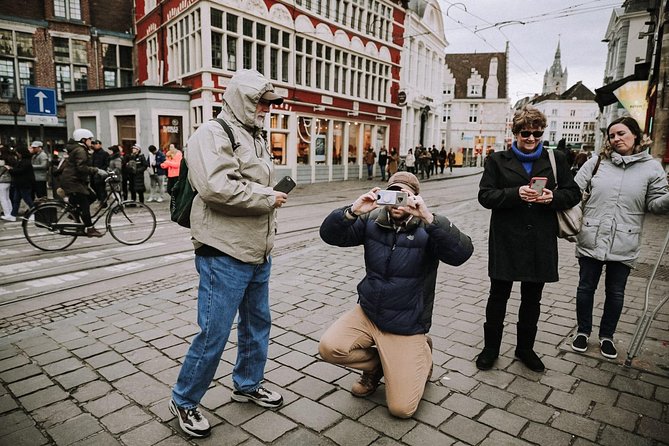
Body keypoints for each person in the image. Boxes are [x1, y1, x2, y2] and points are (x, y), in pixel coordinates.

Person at [169, 69, 288, 438]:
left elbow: (253, 180)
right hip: (222, 252)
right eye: (262, 103)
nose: (267, 110)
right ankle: (184, 400)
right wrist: (269, 197)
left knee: (257, 325)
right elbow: (218, 188)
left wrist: (268, 194)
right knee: (214, 332)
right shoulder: (211, 133)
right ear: (243, 99)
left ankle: (247, 384)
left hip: (256, 250)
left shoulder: (255, 136)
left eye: (270, 104)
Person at [318, 172, 474, 418]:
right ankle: (378, 366)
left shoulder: (428, 228)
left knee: (401, 409)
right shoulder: (372, 220)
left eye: (404, 196)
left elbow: (462, 254)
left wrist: (429, 218)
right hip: (369, 312)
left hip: (406, 322)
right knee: (329, 348)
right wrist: (353, 210)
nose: (396, 203)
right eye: (392, 195)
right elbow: (330, 236)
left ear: (415, 197)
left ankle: (422, 352)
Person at [476, 105, 580, 373]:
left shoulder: (556, 158)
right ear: (515, 133)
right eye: (525, 133)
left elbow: (573, 193)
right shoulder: (497, 160)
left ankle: (525, 349)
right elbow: (485, 196)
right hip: (506, 238)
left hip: (540, 241)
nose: (531, 138)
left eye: (537, 133)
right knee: (498, 296)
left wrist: (552, 198)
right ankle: (491, 349)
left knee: (532, 298)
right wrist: (515, 193)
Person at [570, 117, 669, 359]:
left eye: (621, 134)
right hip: (592, 236)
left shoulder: (652, 167)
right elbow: (572, 191)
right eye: (612, 135)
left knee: (615, 292)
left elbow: (655, 205)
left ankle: (607, 337)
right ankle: (583, 332)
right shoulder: (596, 163)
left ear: (636, 135)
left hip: (625, 241)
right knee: (586, 288)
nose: (616, 139)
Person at [59, 129, 108, 237]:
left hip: (74, 180)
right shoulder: (80, 150)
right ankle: (89, 228)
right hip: (73, 181)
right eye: (90, 139)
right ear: (83, 140)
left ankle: (74, 213)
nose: (91, 142)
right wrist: (97, 170)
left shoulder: (79, 149)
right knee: (85, 204)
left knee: (92, 196)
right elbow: (81, 167)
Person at [9, 145, 35, 220]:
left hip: (24, 183)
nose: (17, 154)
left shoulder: (26, 161)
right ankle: (13, 215)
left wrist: (10, 170)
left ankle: (34, 213)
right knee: (16, 200)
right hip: (20, 183)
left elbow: (20, 171)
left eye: (18, 153)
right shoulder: (23, 160)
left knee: (27, 199)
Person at [90, 139, 110, 206]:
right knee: (94, 186)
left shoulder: (104, 153)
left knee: (101, 188)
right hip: (93, 173)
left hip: (100, 173)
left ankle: (103, 202)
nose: (95, 145)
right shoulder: (93, 154)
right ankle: (100, 200)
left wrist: (101, 170)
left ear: (100, 145)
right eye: (94, 144)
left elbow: (106, 164)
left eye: (96, 144)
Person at [0, 144, 15, 221]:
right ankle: (11, 213)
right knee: (7, 198)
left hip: (2, 181)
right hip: (9, 180)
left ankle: (7, 214)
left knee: (3, 198)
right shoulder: (10, 158)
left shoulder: (2, 160)